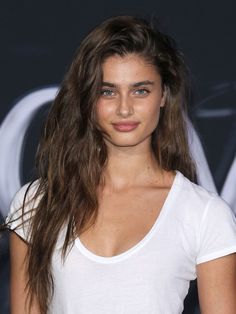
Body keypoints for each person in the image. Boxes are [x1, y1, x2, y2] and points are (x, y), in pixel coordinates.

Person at [4, 15, 236, 314]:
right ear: (89, 98)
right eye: (108, 91)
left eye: (141, 90)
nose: (124, 108)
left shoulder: (203, 214)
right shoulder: (36, 202)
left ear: (163, 95)